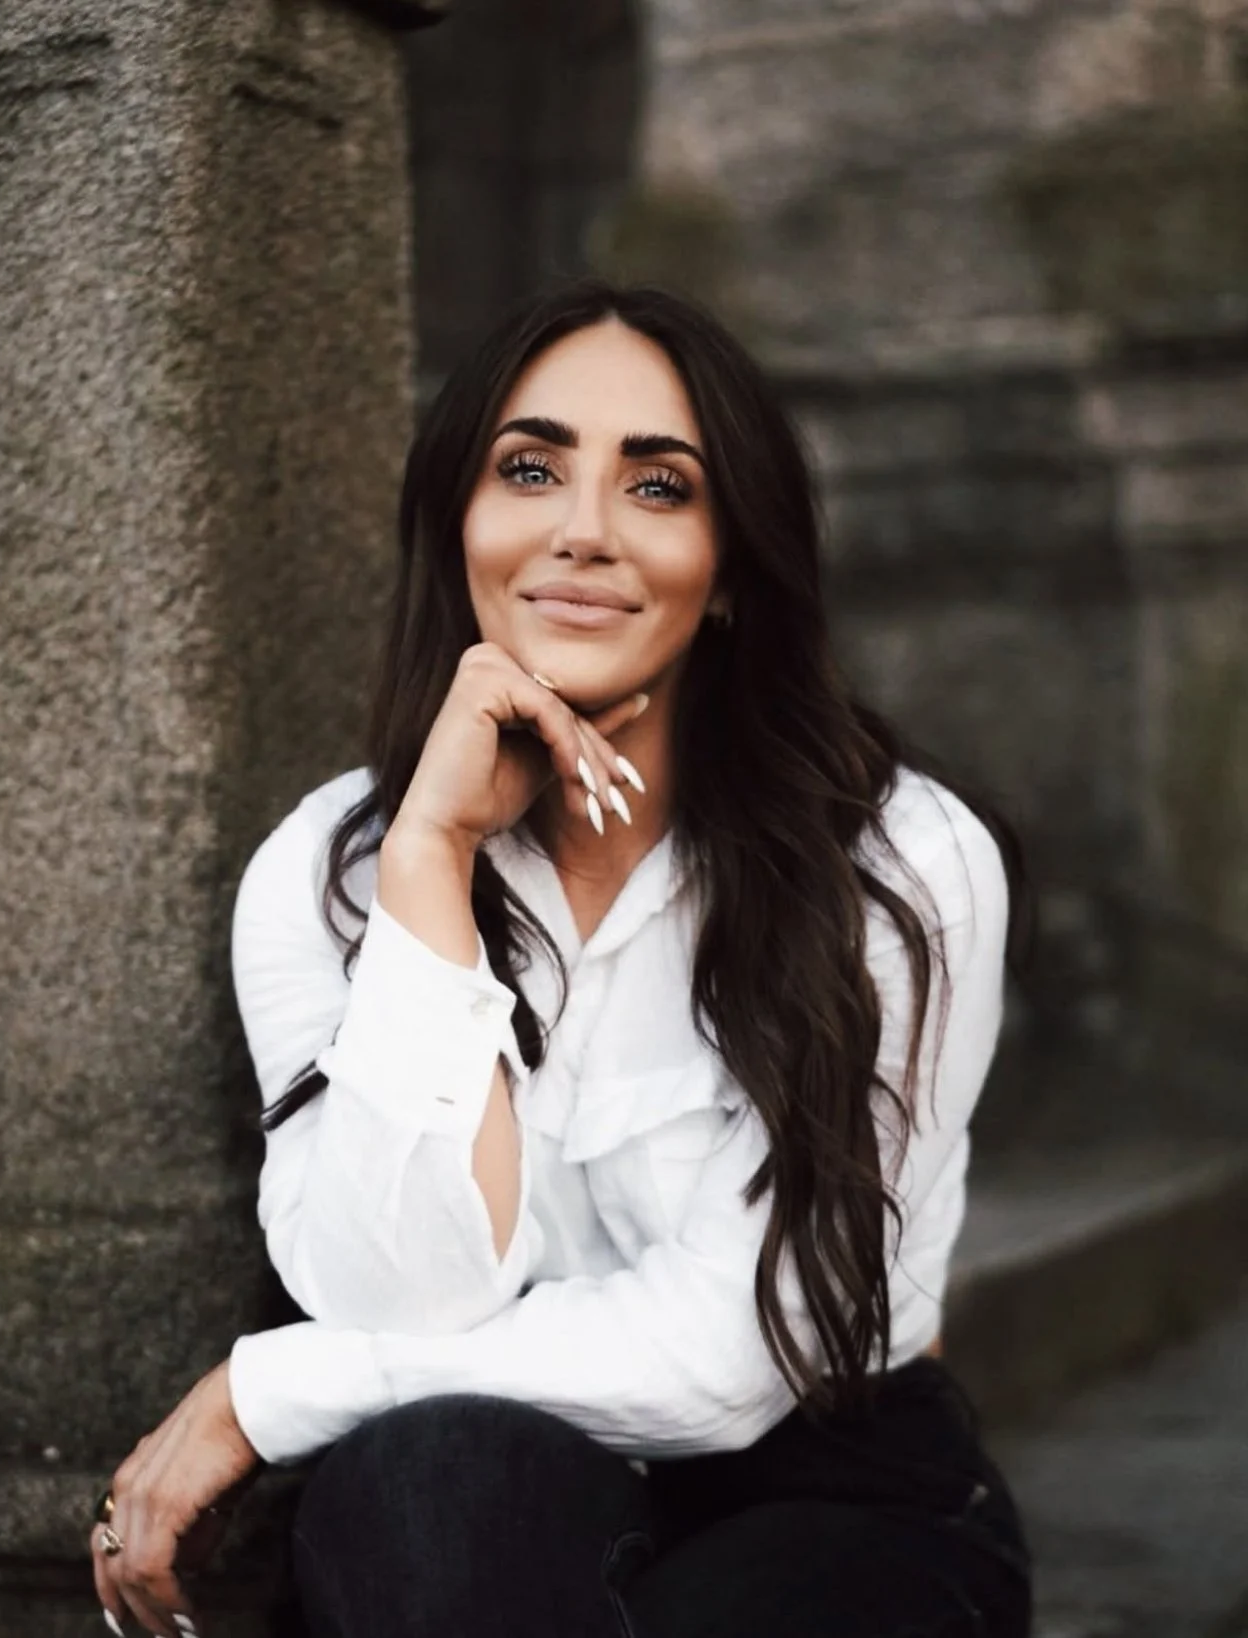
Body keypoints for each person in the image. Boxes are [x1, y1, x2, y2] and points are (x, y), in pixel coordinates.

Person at [89, 279, 1035, 1638]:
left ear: (728, 569)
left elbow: (733, 1355)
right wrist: (433, 860)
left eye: (660, 486)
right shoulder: (332, 870)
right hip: (478, 1496)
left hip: (837, 1483)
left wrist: (268, 1392)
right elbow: (396, 1292)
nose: (583, 531)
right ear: (460, 528)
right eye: (529, 469)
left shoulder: (901, 861)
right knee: (434, 1482)